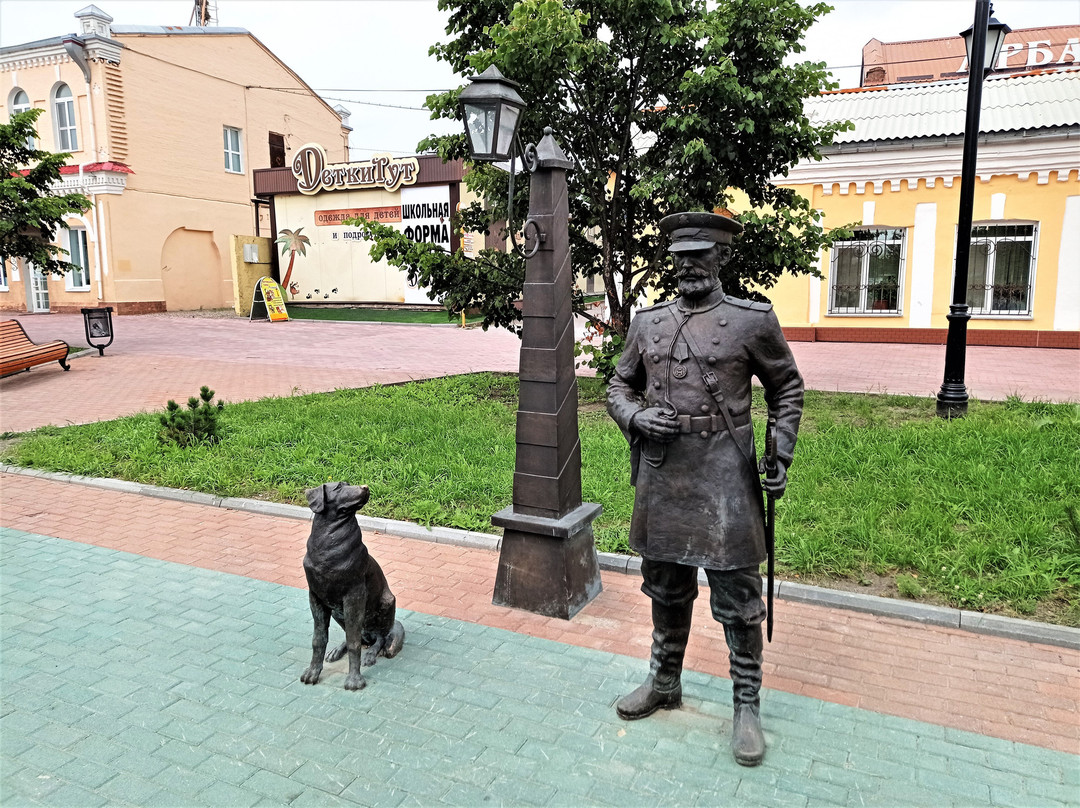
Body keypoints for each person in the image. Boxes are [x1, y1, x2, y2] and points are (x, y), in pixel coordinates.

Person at [606, 211, 803, 767]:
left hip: (724, 476)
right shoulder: (648, 323)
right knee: (665, 588)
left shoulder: (750, 321)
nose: (689, 265)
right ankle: (665, 680)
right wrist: (635, 419)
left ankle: (746, 704)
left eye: (700, 255)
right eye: (680, 257)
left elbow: (787, 387)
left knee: (738, 602)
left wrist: (779, 452)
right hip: (664, 473)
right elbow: (619, 383)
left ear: (721, 258)